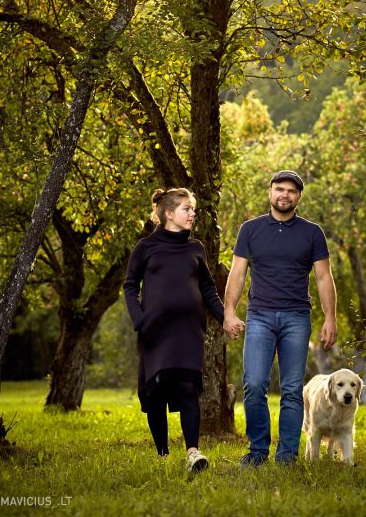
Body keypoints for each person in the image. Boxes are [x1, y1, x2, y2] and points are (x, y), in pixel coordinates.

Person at [223, 169, 337, 467]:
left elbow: (324, 277)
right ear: (270, 192)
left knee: (290, 388)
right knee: (255, 384)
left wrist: (330, 318)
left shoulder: (312, 232)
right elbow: (237, 273)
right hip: (258, 316)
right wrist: (229, 311)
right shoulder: (250, 229)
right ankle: (257, 451)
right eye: (279, 189)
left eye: (291, 190)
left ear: (298, 196)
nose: (284, 194)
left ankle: (287, 455)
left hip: (296, 317)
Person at [123, 187, 225, 473]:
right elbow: (130, 286)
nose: (193, 213)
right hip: (154, 331)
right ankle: (163, 455)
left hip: (189, 331)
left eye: (192, 209)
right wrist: (139, 320)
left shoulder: (196, 248)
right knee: (155, 391)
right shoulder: (146, 247)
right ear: (169, 214)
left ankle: (193, 453)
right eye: (186, 209)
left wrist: (225, 318)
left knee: (188, 387)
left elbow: (207, 288)